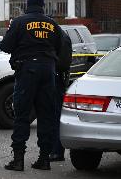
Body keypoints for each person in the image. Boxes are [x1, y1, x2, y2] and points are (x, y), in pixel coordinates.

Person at [0, 0, 62, 171]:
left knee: (22, 114)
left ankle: (18, 159)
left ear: (28, 5)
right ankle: (44, 158)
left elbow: (5, 46)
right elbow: (60, 46)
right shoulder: (52, 24)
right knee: (46, 114)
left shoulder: (20, 22)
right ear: (42, 6)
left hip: (27, 70)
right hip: (48, 71)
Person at [50, 30, 72, 162]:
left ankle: (56, 151)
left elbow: (63, 63)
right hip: (55, 78)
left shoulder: (60, 35)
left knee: (55, 115)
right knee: (53, 114)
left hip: (56, 79)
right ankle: (54, 150)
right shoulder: (61, 34)